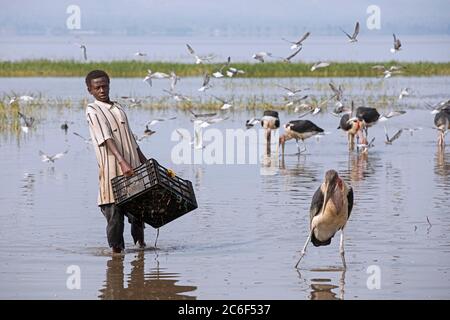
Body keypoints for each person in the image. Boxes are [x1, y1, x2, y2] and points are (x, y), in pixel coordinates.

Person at [85, 69, 147, 253]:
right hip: (112, 172)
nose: (102, 90)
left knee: (138, 214)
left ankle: (140, 250)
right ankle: (116, 255)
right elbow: (105, 138)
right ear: (90, 90)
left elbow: (131, 138)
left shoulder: (118, 107)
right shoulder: (93, 110)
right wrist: (122, 162)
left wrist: (143, 160)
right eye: (98, 87)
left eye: (105, 86)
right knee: (115, 217)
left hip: (132, 170)